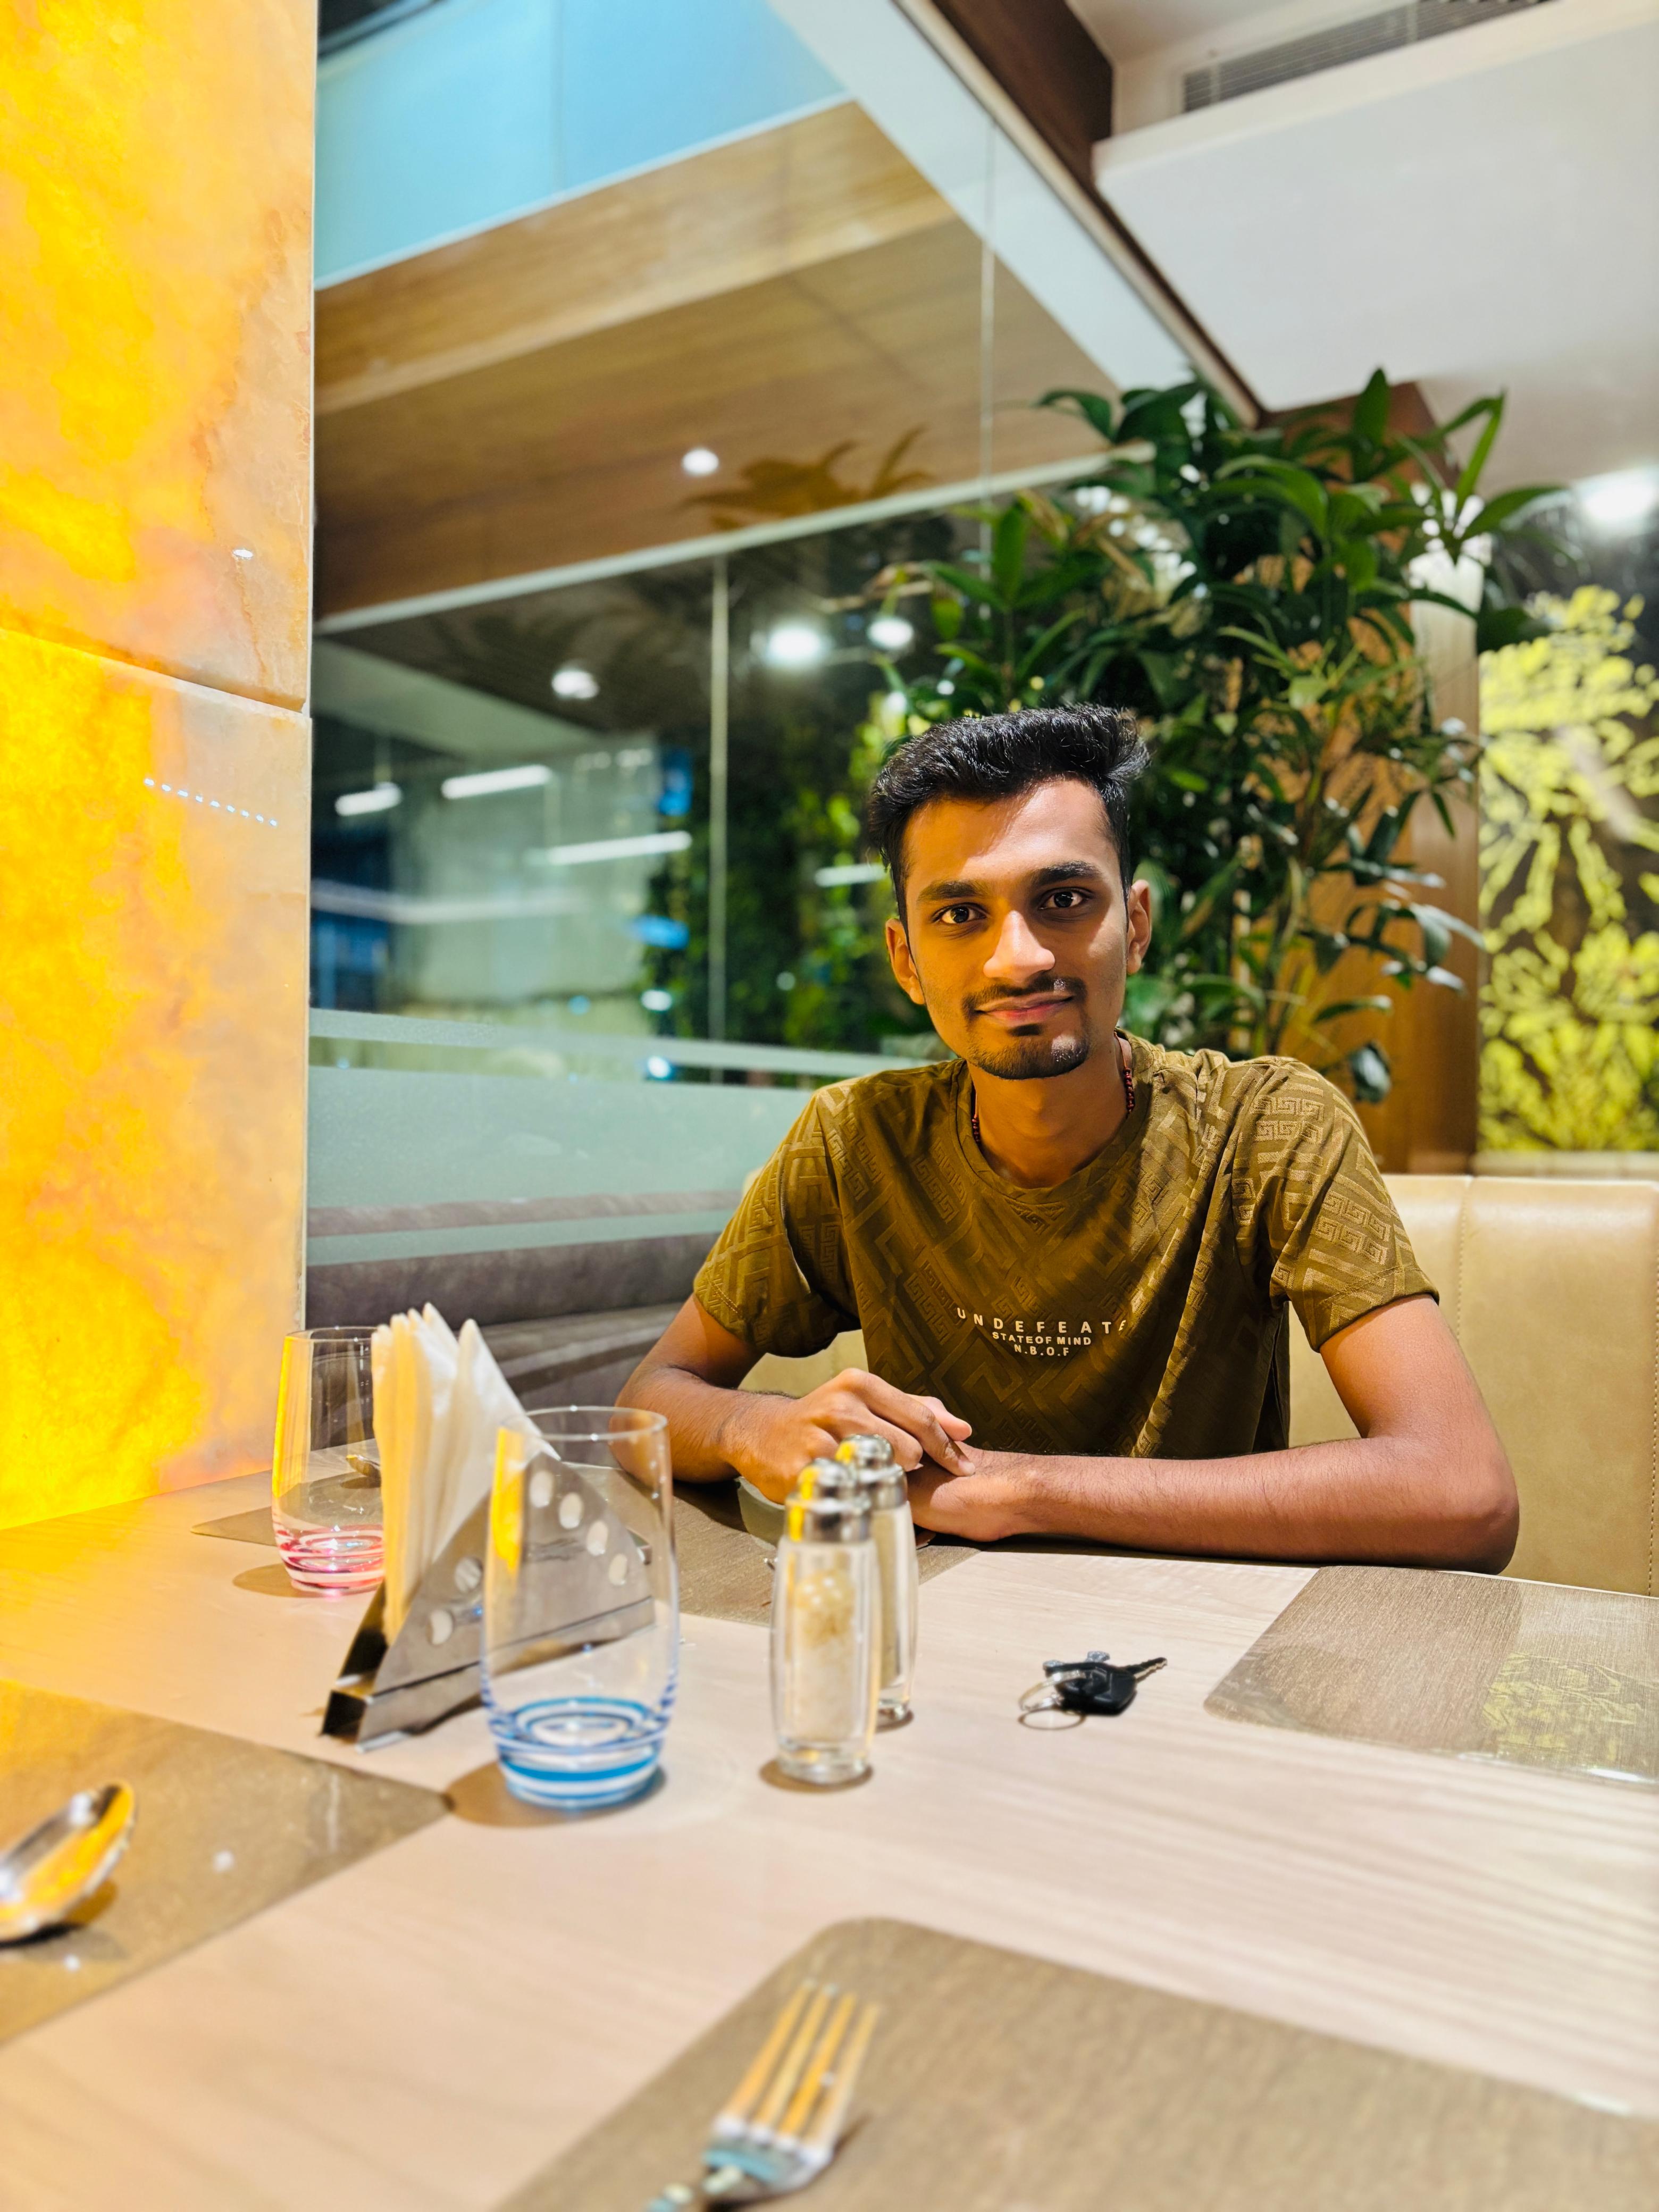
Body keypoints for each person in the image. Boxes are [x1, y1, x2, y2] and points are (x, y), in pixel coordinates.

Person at [619, 706, 1518, 1568]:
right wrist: (756, 1429)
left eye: (1062, 898)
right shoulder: (855, 1142)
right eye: (960, 915)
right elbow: (644, 1405)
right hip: (939, 1632)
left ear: (1135, 925)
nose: (1018, 957)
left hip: (1191, 1639)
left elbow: (1460, 1490)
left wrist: (1021, 1492)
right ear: (906, 960)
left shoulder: (1267, 1127)